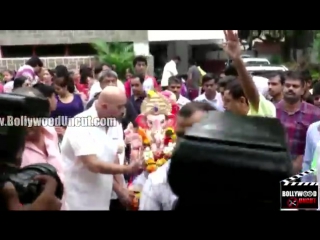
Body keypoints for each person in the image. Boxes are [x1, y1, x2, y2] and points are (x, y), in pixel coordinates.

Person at [61, 86, 141, 210]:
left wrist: (121, 189)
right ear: (104, 106)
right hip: (79, 199)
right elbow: (93, 164)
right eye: (119, 107)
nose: (123, 111)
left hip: (102, 198)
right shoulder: (80, 124)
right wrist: (128, 169)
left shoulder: (114, 123)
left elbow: (112, 157)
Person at [139, 101, 216, 210]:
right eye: (180, 135)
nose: (184, 142)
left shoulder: (234, 177)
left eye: (193, 136)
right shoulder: (158, 181)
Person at [222, 30, 276, 117]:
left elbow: (252, 94)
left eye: (228, 101)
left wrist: (237, 59)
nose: (224, 106)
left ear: (242, 100)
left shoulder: (262, 110)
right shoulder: (231, 121)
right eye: (223, 101)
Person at [276, 70, 320, 174]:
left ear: (302, 90)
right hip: (275, 168)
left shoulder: (315, 114)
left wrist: (299, 163)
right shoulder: (272, 111)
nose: (290, 88)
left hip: (304, 172)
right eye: (287, 85)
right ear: (282, 87)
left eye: (295, 86)